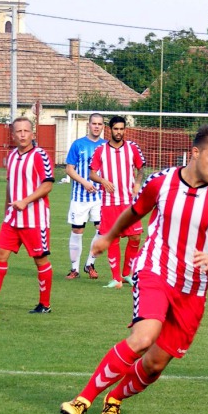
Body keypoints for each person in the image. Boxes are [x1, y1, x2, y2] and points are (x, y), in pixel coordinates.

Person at [60, 125, 208, 414]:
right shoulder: (160, 182)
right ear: (195, 153)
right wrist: (109, 237)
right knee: (143, 338)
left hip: (192, 290)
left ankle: (115, 398)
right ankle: (83, 399)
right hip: (155, 271)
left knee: (155, 364)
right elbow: (134, 211)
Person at [0, 117, 55, 314]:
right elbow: (10, 183)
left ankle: (45, 305)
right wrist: (7, 206)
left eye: (26, 131)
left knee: (40, 260)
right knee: (0, 254)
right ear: (13, 134)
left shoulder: (41, 155)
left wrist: (26, 201)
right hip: (13, 219)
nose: (22, 135)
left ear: (33, 134)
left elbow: (48, 184)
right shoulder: (12, 156)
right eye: (18, 131)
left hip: (35, 219)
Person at [88, 115, 146, 289]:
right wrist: (103, 181)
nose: (119, 132)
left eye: (122, 129)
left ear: (124, 130)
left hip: (129, 202)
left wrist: (137, 183)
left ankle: (127, 274)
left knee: (135, 236)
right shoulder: (100, 151)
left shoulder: (132, 148)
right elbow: (92, 174)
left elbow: (141, 168)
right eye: (116, 129)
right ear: (110, 130)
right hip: (109, 202)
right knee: (113, 238)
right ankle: (116, 278)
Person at [64, 113, 107, 280]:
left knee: (102, 230)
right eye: (94, 123)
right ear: (88, 125)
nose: (96, 126)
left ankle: (90, 264)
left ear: (103, 126)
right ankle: (74, 268)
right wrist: (84, 182)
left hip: (99, 197)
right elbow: (69, 169)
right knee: (77, 231)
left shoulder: (106, 146)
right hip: (79, 197)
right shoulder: (78, 144)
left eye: (100, 124)